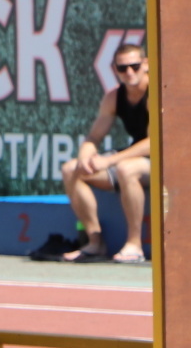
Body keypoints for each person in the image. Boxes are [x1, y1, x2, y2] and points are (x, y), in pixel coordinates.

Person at [58, 39, 154, 264]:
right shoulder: (113, 97)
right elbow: (94, 137)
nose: (129, 72)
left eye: (135, 66)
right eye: (122, 68)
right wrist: (85, 156)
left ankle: (134, 245)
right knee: (71, 169)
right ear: (115, 70)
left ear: (146, 64)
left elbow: (155, 142)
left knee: (125, 168)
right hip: (135, 157)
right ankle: (95, 241)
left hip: (163, 160)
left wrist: (108, 161)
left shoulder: (156, 92)